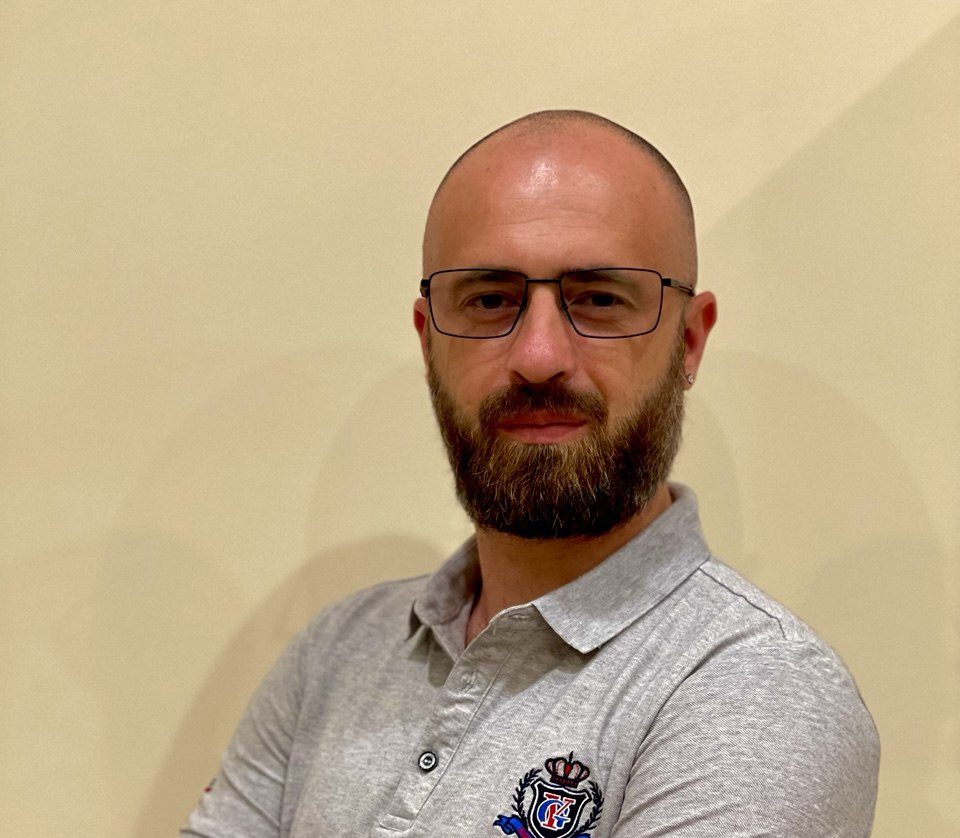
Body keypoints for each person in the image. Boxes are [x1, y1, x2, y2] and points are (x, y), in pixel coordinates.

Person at [181, 110, 879, 837]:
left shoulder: (759, 692)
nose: (540, 356)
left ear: (690, 342)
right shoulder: (335, 652)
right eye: (489, 301)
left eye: (600, 299)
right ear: (428, 340)